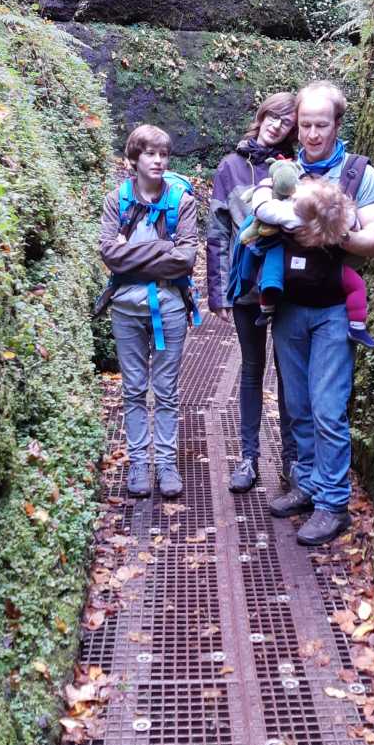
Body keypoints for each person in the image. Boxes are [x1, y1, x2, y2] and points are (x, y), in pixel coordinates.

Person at [263, 81, 374, 546]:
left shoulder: (359, 175)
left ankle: (333, 503)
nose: (313, 134)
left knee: (328, 409)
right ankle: (308, 485)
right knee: (297, 406)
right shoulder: (286, 172)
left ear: (338, 124)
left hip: (335, 307)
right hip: (292, 305)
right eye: (306, 124)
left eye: (322, 124)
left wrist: (329, 231)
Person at [99, 124, 198, 499]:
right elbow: (109, 254)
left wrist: (134, 255)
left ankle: (167, 463)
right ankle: (140, 462)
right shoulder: (117, 200)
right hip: (125, 307)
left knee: (167, 390)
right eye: (150, 154)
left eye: (163, 154)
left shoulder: (181, 202)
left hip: (170, 306)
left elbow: (186, 258)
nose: (158, 161)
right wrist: (161, 249)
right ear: (135, 158)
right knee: (134, 388)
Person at [206, 93, 297, 493]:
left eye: (286, 122)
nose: (277, 125)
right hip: (245, 286)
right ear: (261, 115)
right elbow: (217, 232)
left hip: (287, 285)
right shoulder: (230, 167)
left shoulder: (293, 168)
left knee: (290, 374)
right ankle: (248, 458)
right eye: (274, 116)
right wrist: (218, 292)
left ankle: (292, 461)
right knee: (251, 369)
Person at [246, 173, 374, 348]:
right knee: (356, 285)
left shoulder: (290, 215)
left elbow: (261, 208)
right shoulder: (339, 218)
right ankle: (357, 326)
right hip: (328, 271)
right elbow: (355, 225)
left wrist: (264, 186)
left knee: (270, 275)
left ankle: (267, 308)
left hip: (291, 268)